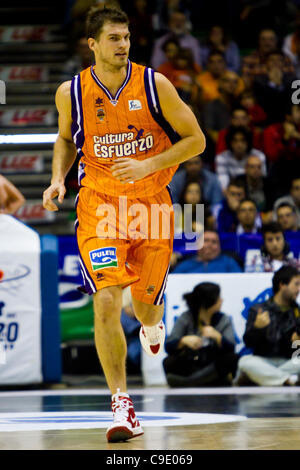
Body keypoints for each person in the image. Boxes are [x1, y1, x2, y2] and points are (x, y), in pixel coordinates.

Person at [42, 6, 205, 443]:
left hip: (151, 205)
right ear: (92, 44)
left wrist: (148, 163)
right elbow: (64, 138)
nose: (123, 45)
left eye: (127, 37)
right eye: (114, 38)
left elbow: (196, 140)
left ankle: (154, 322)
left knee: (144, 306)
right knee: (107, 299)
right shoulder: (70, 92)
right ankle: (121, 404)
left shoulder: (155, 83)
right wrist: (59, 179)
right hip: (99, 205)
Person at [163, 282, 238, 387]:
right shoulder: (186, 317)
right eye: (218, 298)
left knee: (231, 358)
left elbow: (231, 347)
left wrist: (218, 337)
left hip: (213, 363)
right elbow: (169, 346)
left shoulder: (223, 319)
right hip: (192, 362)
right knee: (169, 361)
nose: (221, 300)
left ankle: (189, 382)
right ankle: (208, 381)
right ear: (209, 302)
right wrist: (183, 341)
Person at [237, 266, 300, 386]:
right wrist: (257, 328)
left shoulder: (297, 311)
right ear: (282, 285)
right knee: (245, 362)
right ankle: (289, 379)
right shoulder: (258, 310)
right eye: (296, 284)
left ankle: (261, 378)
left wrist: (296, 342)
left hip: (289, 361)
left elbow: (296, 348)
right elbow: (248, 342)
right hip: (264, 361)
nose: (299, 289)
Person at [215, 126, 267, 191]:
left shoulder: (259, 156)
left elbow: (263, 178)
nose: (239, 144)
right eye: (235, 141)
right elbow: (223, 183)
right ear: (230, 142)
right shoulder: (222, 158)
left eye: (243, 140)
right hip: (232, 192)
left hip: (255, 190)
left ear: (248, 142)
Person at [202, 70, 243, 144]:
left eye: (235, 82)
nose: (232, 84)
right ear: (220, 83)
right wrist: (228, 144)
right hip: (219, 147)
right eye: (228, 81)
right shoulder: (211, 106)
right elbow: (210, 131)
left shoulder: (240, 104)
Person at [172, 230, 242, 273]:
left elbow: (239, 281)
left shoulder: (229, 263)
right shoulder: (185, 264)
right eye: (205, 240)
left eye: (214, 242)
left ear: (219, 247)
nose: (210, 245)